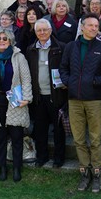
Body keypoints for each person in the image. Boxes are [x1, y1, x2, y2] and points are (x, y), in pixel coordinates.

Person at [59, 14, 101, 193]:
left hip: (94, 100)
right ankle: (84, 172)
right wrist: (69, 82)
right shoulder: (71, 47)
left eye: (96, 25)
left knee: (96, 139)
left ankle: (97, 173)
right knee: (79, 139)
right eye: (90, 25)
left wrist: (95, 82)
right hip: (74, 100)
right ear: (82, 27)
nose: (93, 28)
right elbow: (63, 68)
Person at [0, 27, 32, 182]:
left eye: (5, 39)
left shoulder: (19, 57)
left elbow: (26, 79)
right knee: (0, 137)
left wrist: (27, 99)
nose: (1, 41)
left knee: (16, 136)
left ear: (10, 41)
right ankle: (2, 167)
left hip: (15, 101)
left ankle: (17, 167)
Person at [25, 19, 67, 168]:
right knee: (40, 129)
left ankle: (58, 158)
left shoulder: (60, 47)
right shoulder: (31, 49)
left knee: (58, 129)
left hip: (56, 95)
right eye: (39, 30)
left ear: (50, 31)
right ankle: (42, 157)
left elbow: (66, 69)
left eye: (45, 30)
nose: (42, 33)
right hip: (38, 96)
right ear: (36, 32)